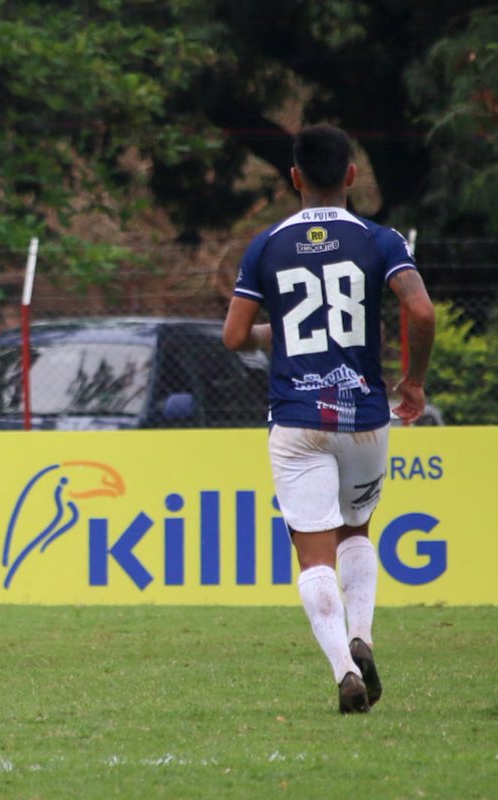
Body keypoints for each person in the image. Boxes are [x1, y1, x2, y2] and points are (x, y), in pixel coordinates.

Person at [223, 124, 435, 713]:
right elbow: (420, 309)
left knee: (312, 552)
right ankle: (363, 635)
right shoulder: (380, 239)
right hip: (363, 415)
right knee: (356, 532)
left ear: (293, 178)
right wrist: (413, 380)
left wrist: (281, 334)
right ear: (350, 175)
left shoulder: (265, 245)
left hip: (295, 419)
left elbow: (235, 336)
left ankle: (345, 666)